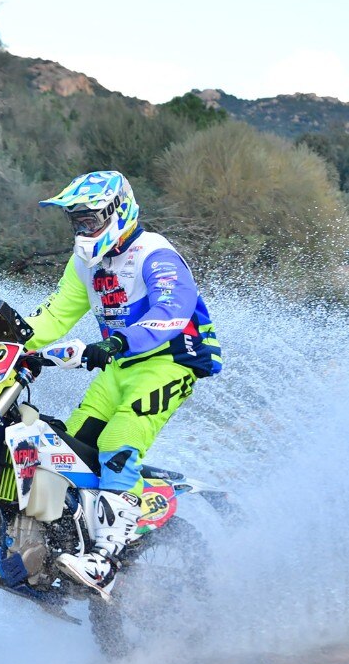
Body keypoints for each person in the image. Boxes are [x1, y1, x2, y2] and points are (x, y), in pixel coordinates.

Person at [24, 170, 222, 601]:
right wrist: (5, 341)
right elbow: (54, 315)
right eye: (76, 221)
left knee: (117, 443)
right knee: (69, 449)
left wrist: (116, 342)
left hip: (170, 362)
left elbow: (172, 309)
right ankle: (66, 543)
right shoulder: (84, 262)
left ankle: (105, 560)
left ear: (117, 211)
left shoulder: (155, 253)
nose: (83, 229)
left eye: (90, 219)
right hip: (121, 365)